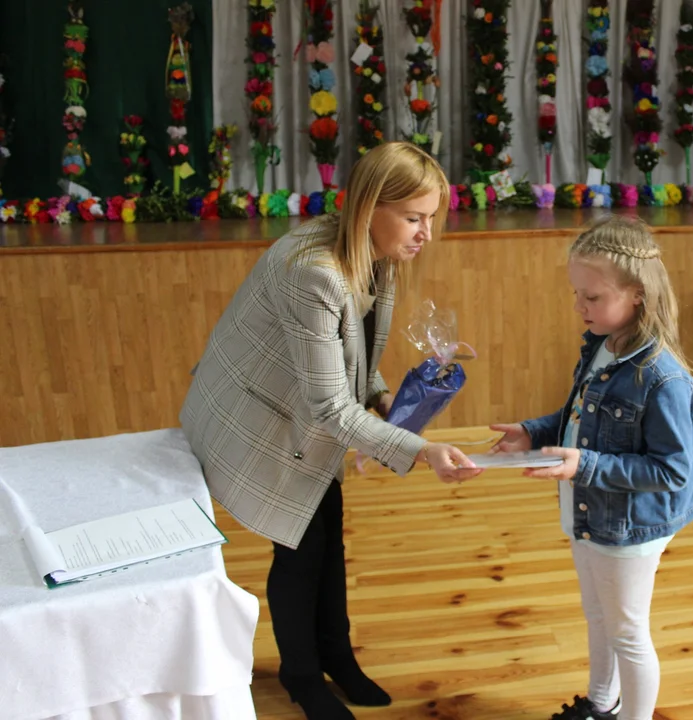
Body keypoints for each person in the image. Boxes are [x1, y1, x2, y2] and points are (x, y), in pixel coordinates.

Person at [180, 142, 480, 720]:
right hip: (259, 417)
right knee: (299, 547)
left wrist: (386, 396)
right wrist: (421, 450)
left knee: (327, 538)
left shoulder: (373, 253)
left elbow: (351, 353)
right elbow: (326, 408)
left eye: (432, 219)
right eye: (415, 218)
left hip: (300, 409)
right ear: (370, 207)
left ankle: (336, 657)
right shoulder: (312, 273)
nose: (427, 235)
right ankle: (300, 675)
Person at [488, 216, 693, 720]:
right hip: (590, 512)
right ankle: (601, 705)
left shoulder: (663, 378)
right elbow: (581, 418)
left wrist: (586, 465)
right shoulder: (602, 344)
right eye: (576, 294)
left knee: (628, 632)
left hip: (628, 526)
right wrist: (534, 431)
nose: (579, 307)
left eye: (592, 297)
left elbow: (672, 472)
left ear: (638, 295)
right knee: (598, 617)